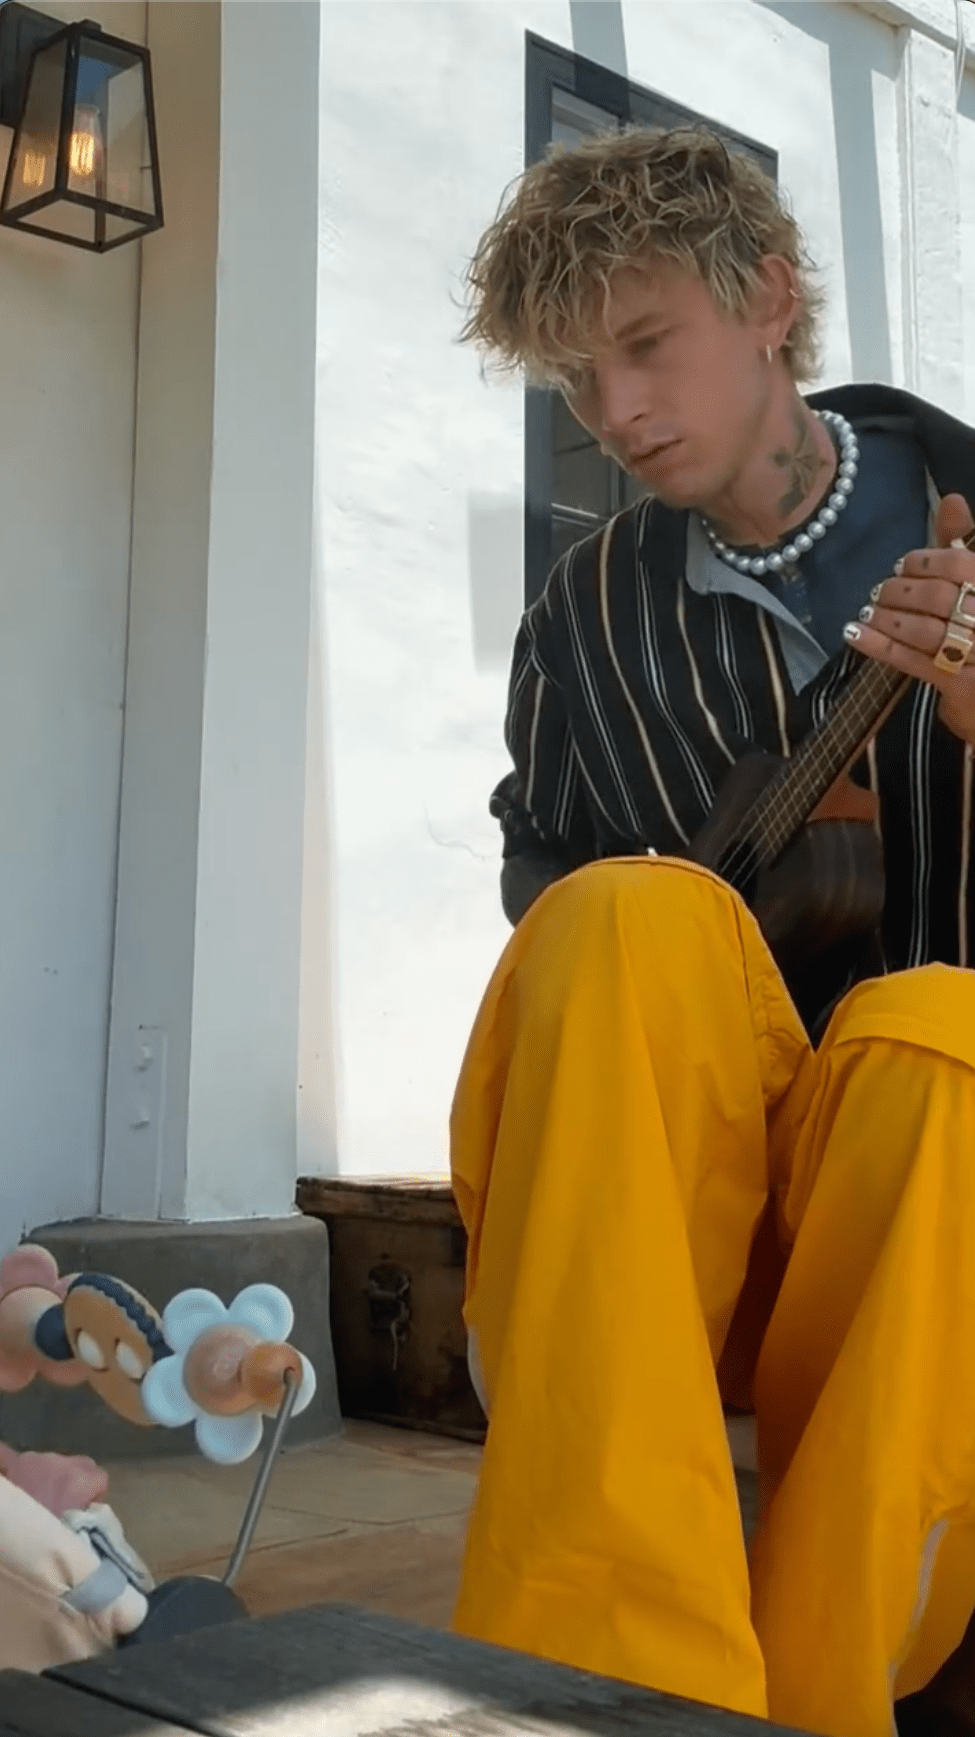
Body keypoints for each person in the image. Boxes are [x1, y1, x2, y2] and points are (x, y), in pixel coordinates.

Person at [449, 126, 975, 1737]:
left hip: (930, 1191)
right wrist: (679, 927)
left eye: (643, 343)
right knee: (619, 913)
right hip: (683, 1206)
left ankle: (831, 1681)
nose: (613, 412)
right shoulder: (581, 613)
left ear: (769, 296)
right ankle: (600, 1679)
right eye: (575, 376)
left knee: (930, 1035)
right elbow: (539, 856)